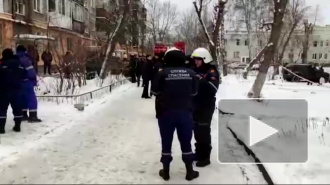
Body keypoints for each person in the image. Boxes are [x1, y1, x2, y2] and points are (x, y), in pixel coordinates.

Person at [151, 48, 199, 181]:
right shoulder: (191, 73)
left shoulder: (162, 73)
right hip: (185, 112)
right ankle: (189, 171)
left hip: (165, 113)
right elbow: (195, 93)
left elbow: (154, 91)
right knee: (186, 142)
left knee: (166, 142)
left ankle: (166, 172)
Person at [191, 47, 220, 167]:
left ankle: (205, 157)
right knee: (196, 130)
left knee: (203, 130)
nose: (196, 62)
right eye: (195, 60)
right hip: (195, 104)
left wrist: (202, 80)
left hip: (206, 105)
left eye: (198, 60)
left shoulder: (212, 72)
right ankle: (198, 153)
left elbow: (213, 89)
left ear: (205, 59)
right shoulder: (194, 70)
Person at [0, 49, 27, 134]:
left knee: (2, 109)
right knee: (17, 108)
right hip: (17, 90)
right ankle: (17, 126)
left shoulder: (2, 64)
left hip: (3, 90)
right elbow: (25, 76)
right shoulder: (19, 64)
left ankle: (1, 128)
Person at [16, 45, 42, 123]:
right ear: (25, 51)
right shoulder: (25, 59)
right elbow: (31, 72)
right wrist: (34, 80)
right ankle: (33, 116)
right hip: (27, 82)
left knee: (22, 99)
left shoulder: (15, 58)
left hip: (18, 82)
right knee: (31, 99)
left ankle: (23, 115)